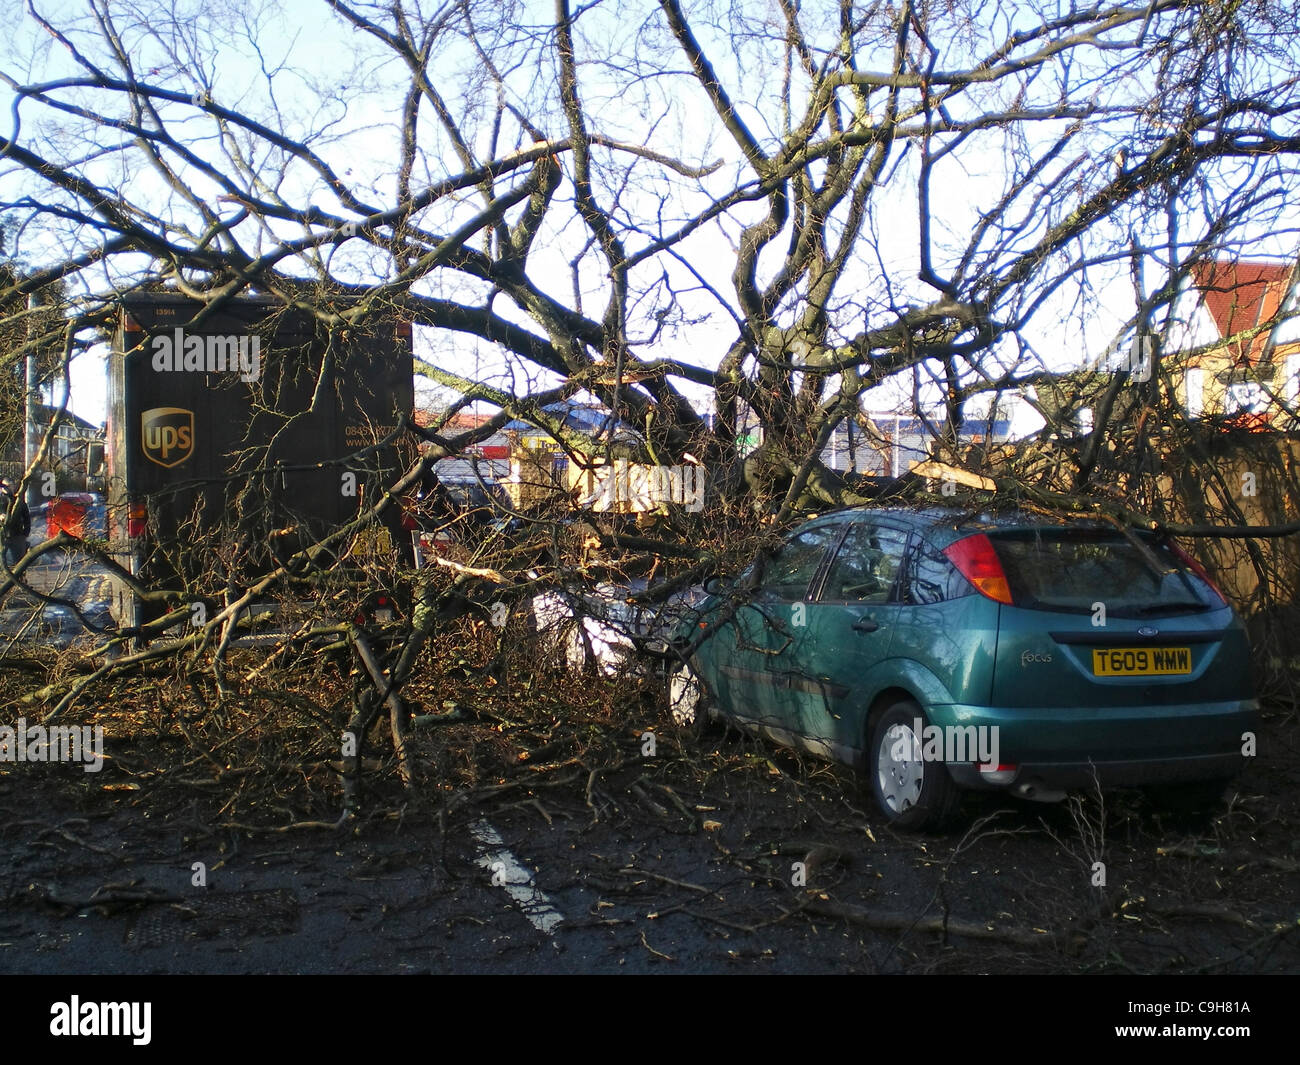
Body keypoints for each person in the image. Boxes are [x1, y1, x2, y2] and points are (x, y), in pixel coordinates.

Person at [0, 480, 30, 567]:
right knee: (3, 561)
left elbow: (26, 517)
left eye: (10, 486)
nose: (7, 488)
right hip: (3, 535)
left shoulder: (18, 501)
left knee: (19, 562)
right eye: (5, 486)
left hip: (17, 535)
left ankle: (19, 578)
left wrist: (25, 533)